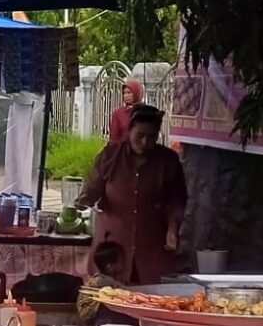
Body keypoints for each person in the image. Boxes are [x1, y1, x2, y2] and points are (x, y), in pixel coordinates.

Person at [78, 106, 186, 285]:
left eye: (151, 136)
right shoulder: (109, 157)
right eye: (140, 135)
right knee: (109, 296)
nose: (145, 142)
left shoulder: (168, 160)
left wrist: (172, 229)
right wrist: (83, 201)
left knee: (150, 298)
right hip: (113, 244)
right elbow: (91, 190)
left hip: (152, 245)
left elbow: (176, 199)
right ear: (129, 131)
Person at [107, 78, 145, 147]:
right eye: (124, 93)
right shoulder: (118, 113)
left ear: (137, 93)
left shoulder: (145, 112)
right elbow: (114, 138)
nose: (126, 96)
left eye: (129, 93)